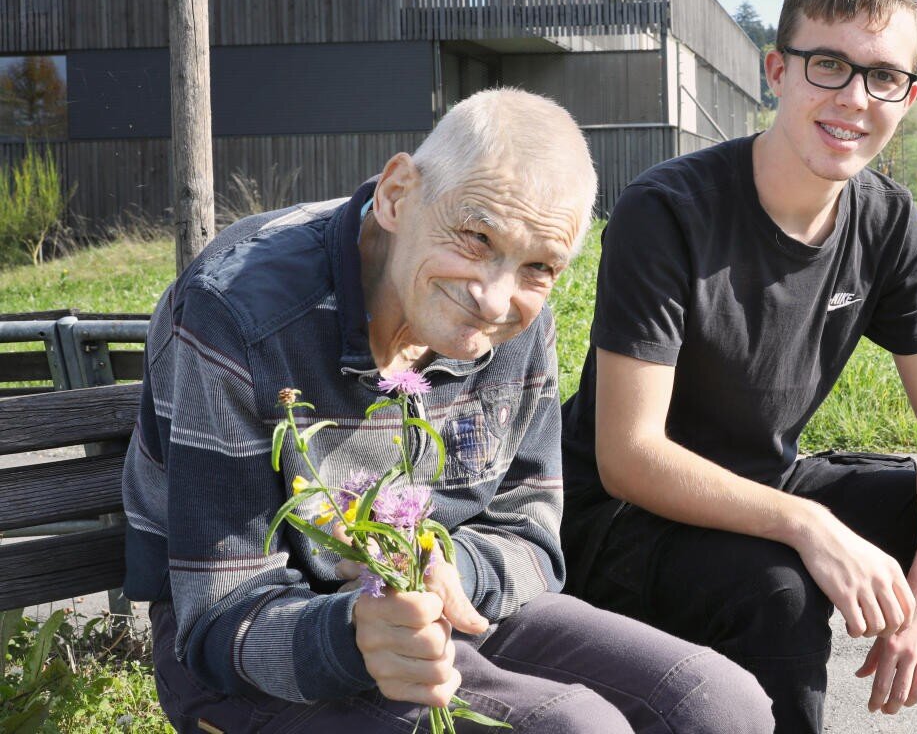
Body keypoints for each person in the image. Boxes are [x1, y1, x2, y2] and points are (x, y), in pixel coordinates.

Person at [123, 89, 772, 734]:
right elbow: (218, 612)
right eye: (476, 236)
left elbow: (530, 532)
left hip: (441, 605)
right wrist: (352, 635)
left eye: (539, 266)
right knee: (573, 728)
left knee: (717, 705)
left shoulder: (519, 323)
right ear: (399, 194)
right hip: (246, 649)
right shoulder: (238, 310)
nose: (496, 300)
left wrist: (445, 566)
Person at [560, 0, 917, 733]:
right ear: (778, 71)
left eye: (884, 76)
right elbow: (628, 454)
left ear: (909, 96)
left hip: (767, 481)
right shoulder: (668, 213)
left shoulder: (886, 221)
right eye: (830, 66)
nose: (855, 99)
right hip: (621, 520)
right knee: (778, 586)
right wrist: (812, 526)